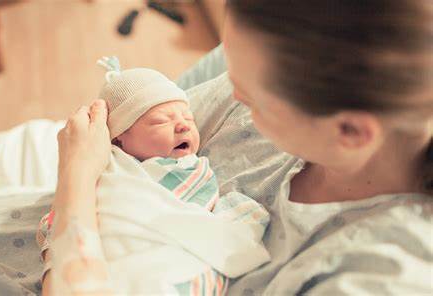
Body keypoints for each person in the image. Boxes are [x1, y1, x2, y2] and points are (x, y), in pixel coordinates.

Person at [47, 0, 433, 295]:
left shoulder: (375, 273)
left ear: (349, 131)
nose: (231, 94)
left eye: (250, 98)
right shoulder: (271, 90)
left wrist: (76, 177)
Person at [38, 59, 270, 295]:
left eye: (189, 118)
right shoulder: (113, 168)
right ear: (119, 139)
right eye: (160, 121)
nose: (183, 126)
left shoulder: (190, 169)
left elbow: (194, 209)